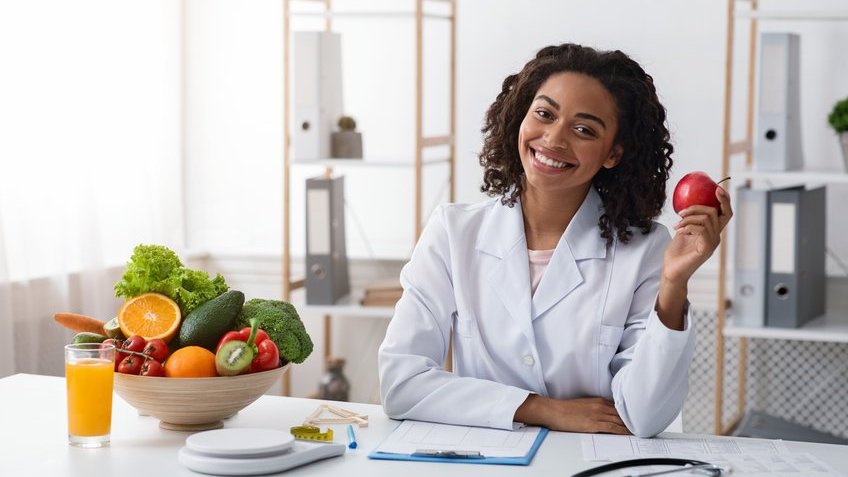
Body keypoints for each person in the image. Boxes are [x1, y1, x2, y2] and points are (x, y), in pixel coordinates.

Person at [378, 43, 732, 438]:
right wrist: (544, 410)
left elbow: (642, 416)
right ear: (521, 117)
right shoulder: (454, 233)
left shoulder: (646, 250)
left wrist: (674, 285)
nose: (554, 139)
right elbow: (401, 383)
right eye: (544, 114)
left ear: (613, 153)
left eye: (584, 129)